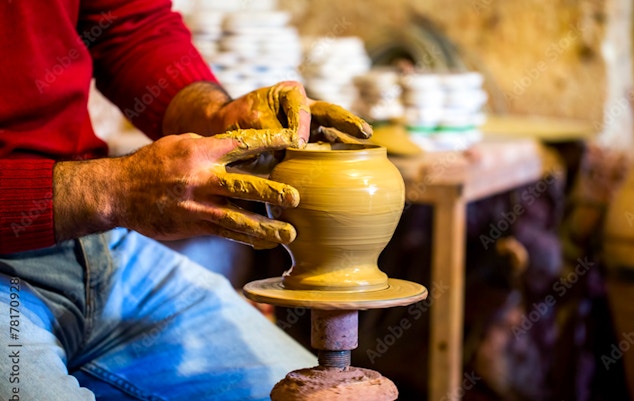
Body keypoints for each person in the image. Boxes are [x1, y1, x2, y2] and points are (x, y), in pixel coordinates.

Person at [0, 0, 372, 400]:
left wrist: (216, 114)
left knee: (310, 394)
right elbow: (107, 192)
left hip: (95, 246)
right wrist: (111, 190)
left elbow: (127, 24)